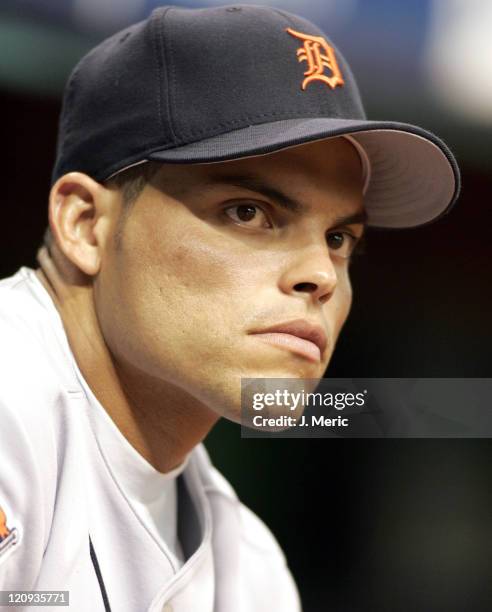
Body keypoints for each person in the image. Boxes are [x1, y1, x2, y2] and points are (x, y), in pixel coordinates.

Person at [0, 4, 460, 611]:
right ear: (85, 225)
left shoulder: (251, 567)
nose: (320, 275)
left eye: (339, 238)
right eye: (248, 212)